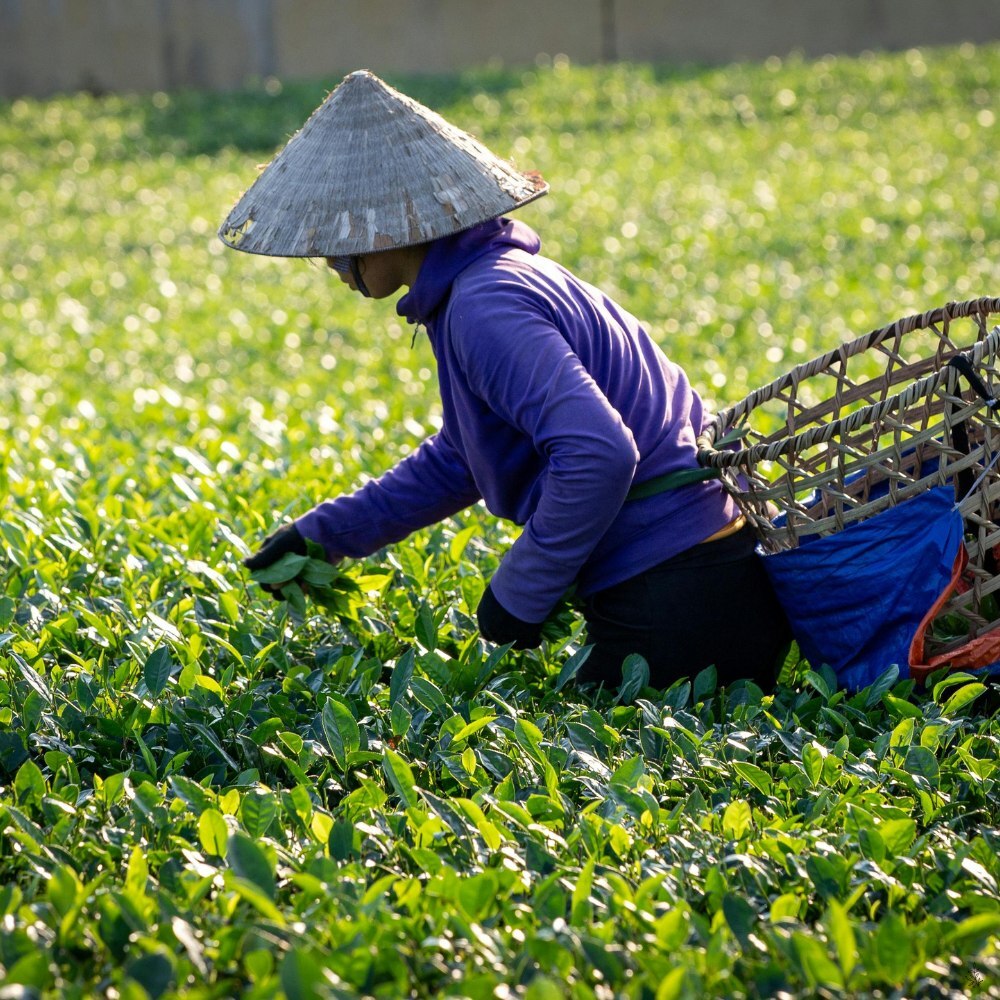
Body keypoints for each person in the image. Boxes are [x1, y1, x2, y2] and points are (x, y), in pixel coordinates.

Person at [220, 70, 790, 690]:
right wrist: (323, 537)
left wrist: (519, 593)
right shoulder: (486, 282)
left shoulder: (484, 305)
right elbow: (463, 459)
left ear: (388, 226)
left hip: (682, 591)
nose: (327, 262)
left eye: (334, 243)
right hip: (706, 576)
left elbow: (598, 452)